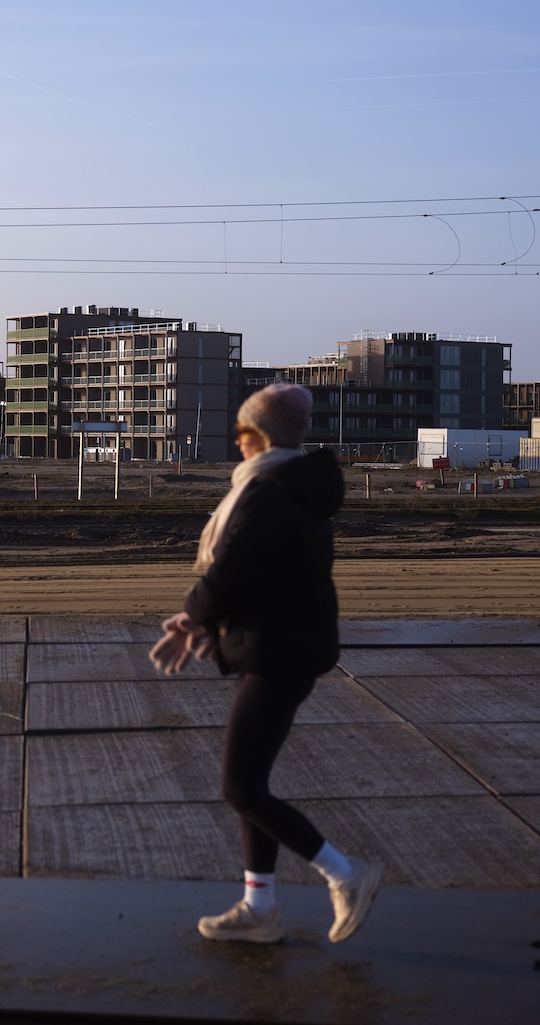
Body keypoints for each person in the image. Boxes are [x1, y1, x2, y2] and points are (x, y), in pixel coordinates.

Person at [149, 382, 381, 945]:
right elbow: (257, 571)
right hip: (285, 646)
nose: (236, 443)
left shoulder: (268, 492)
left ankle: (346, 875)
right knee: (251, 783)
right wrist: (206, 620)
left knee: (240, 787)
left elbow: (233, 568)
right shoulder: (293, 487)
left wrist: (191, 618)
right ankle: (260, 908)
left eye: (243, 432)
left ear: (265, 436)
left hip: (281, 651)